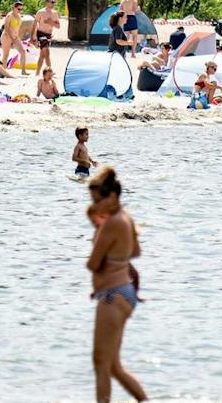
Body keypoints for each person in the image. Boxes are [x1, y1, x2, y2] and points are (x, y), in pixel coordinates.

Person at [84, 166, 147, 403]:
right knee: (113, 366)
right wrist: (117, 256)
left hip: (112, 296)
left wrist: (99, 236)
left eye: (97, 200)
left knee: (101, 363)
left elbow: (93, 263)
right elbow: (135, 251)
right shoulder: (126, 218)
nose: (95, 205)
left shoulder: (111, 224)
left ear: (111, 196)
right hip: (124, 293)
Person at [33, 0, 61, 74]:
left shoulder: (55, 13)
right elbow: (35, 25)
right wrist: (33, 37)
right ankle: (50, 71)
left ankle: (37, 73)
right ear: (47, 3)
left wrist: (51, 22)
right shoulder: (40, 12)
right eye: (52, 2)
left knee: (42, 55)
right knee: (47, 52)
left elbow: (58, 26)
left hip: (49, 35)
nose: (53, 4)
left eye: (54, 2)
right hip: (41, 34)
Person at [1, 0, 25, 66]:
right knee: (6, 55)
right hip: (6, 36)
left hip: (15, 37)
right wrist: (12, 39)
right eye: (18, 9)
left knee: (23, 51)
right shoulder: (9, 16)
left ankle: (23, 70)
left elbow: (18, 28)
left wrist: (18, 38)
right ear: (14, 7)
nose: (20, 11)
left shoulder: (19, 16)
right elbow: (6, 28)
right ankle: (2, 69)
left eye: (21, 9)